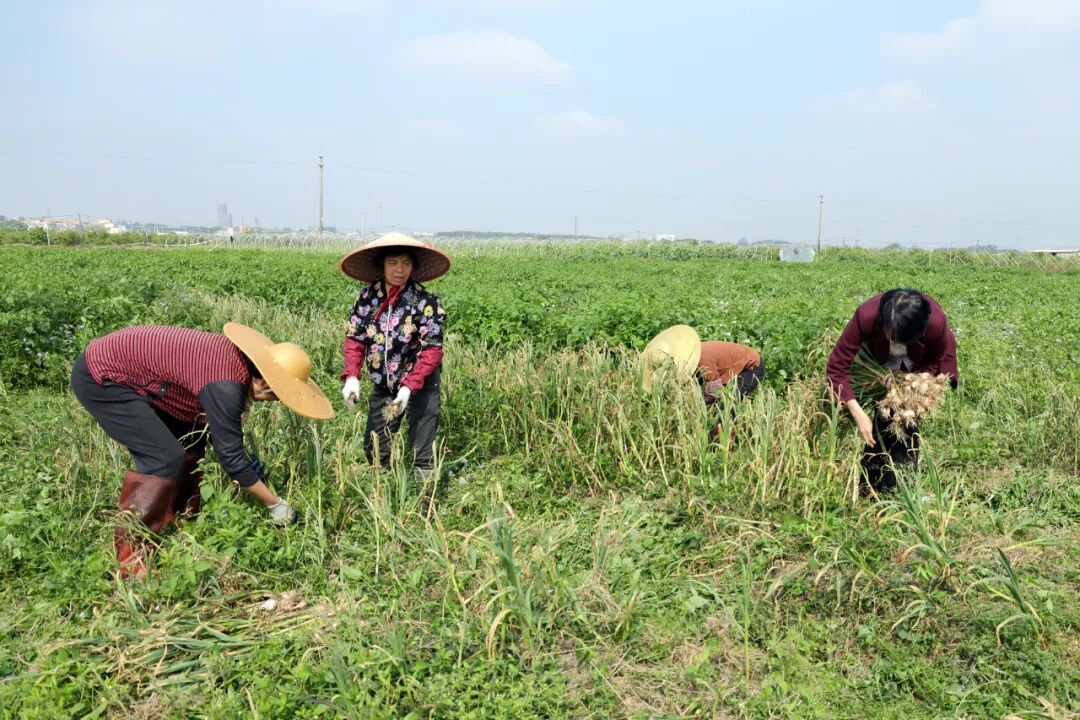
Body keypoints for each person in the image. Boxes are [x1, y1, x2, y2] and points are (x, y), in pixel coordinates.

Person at [71, 323, 334, 579]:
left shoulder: (237, 365)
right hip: (103, 376)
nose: (274, 402)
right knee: (163, 458)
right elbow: (230, 459)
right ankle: (132, 557)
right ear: (263, 381)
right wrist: (274, 503)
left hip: (136, 371)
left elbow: (219, 434)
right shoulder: (226, 385)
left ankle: (179, 519)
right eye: (277, 395)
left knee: (191, 442)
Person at [339, 233, 450, 504]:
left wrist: (410, 388)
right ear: (382, 265)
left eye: (405, 264)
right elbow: (355, 337)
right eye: (392, 263)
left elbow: (432, 349)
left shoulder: (425, 302)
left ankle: (425, 509)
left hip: (420, 385)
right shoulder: (367, 298)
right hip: (384, 384)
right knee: (375, 445)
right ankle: (383, 499)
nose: (399, 270)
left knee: (421, 450)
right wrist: (352, 375)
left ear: (413, 267)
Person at [826, 289, 958, 493]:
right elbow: (836, 368)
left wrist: (908, 381)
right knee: (883, 413)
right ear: (883, 324)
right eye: (895, 338)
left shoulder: (936, 323)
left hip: (919, 361)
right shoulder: (867, 316)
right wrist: (857, 412)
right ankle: (871, 483)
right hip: (879, 356)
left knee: (905, 415)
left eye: (904, 340)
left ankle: (900, 484)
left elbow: (934, 361)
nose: (899, 344)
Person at [639, 325, 765, 436]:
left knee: (727, 404)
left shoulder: (703, 360)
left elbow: (715, 391)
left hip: (750, 367)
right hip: (730, 369)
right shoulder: (688, 356)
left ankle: (724, 444)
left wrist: (694, 405)